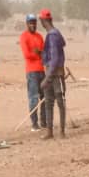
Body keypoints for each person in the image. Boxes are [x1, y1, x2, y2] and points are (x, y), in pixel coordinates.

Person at [39, 8, 66, 138]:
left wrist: (47, 79)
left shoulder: (53, 35)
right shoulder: (55, 34)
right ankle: (50, 132)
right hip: (51, 72)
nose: (41, 24)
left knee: (59, 102)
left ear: (44, 21)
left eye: (41, 21)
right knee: (49, 103)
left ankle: (61, 131)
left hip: (54, 74)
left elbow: (54, 59)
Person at [19, 14, 46, 131]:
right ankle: (34, 124)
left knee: (44, 97)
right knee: (33, 98)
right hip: (32, 72)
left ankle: (44, 122)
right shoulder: (24, 37)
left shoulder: (40, 37)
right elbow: (27, 55)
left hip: (42, 71)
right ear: (27, 24)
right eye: (30, 22)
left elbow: (44, 54)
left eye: (34, 22)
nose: (33, 24)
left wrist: (38, 52)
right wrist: (38, 54)